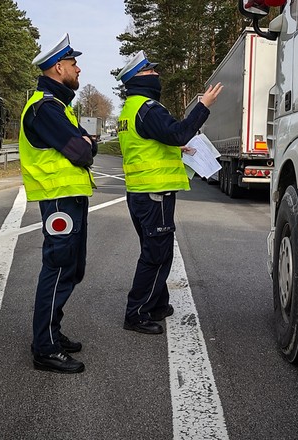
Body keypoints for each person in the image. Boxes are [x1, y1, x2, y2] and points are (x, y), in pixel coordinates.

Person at [115, 51, 223, 335]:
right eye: (151, 71)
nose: (157, 74)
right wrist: (203, 106)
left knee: (155, 250)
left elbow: (150, 141)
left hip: (141, 192)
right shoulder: (148, 108)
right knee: (156, 255)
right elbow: (178, 132)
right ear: (138, 78)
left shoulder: (130, 109)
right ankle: (136, 313)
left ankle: (158, 304)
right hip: (154, 194)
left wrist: (175, 149)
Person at [20, 33, 97, 373]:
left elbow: (88, 145)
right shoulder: (46, 108)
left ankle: (51, 330)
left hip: (68, 198)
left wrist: (87, 143)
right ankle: (45, 347)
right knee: (59, 266)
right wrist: (86, 143)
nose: (78, 69)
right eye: (73, 63)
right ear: (57, 67)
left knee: (72, 267)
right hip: (58, 200)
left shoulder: (59, 106)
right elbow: (83, 150)